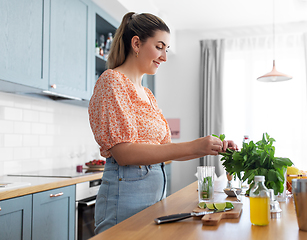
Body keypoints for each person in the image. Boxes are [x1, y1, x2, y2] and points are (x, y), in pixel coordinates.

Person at [88, 12, 238, 234]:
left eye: (166, 49)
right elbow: (124, 153)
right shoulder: (112, 81)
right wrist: (196, 145)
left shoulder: (148, 94)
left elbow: (165, 151)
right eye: (159, 47)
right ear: (136, 43)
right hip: (124, 197)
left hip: (154, 196)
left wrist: (211, 147)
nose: (164, 57)